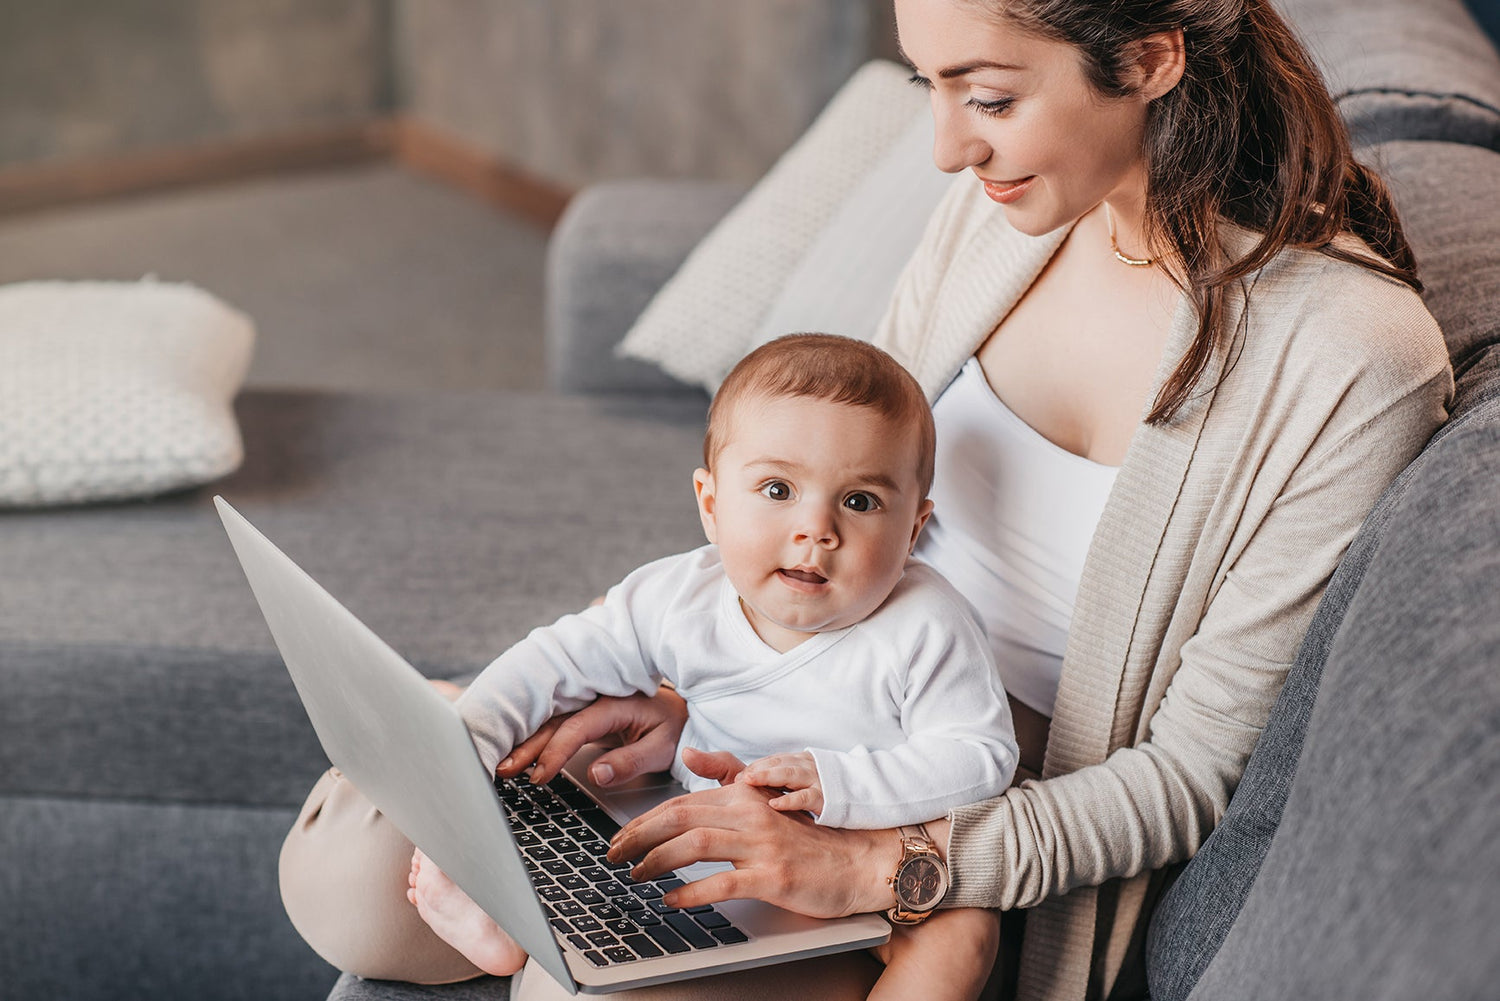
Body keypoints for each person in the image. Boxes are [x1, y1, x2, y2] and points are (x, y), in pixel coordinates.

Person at [280, 0, 1455, 998]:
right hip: (798, 717)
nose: (946, 150)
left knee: (558, 963)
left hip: (966, 835)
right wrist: (692, 690)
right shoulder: (996, 225)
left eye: (987, 97)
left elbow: (1189, 782)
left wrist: (870, 863)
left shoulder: (1347, 356)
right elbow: (822, 481)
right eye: (927, 89)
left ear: (1151, 59)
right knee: (358, 850)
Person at [406, 332, 1019, 1000]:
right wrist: (473, 736)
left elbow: (980, 755)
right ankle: (500, 914)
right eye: (778, 488)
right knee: (499, 748)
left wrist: (834, 781)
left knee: (965, 932)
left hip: (863, 875)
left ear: (914, 528)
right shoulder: (681, 595)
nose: (816, 528)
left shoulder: (927, 624)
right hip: (703, 839)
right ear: (711, 504)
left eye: (860, 501)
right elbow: (556, 657)